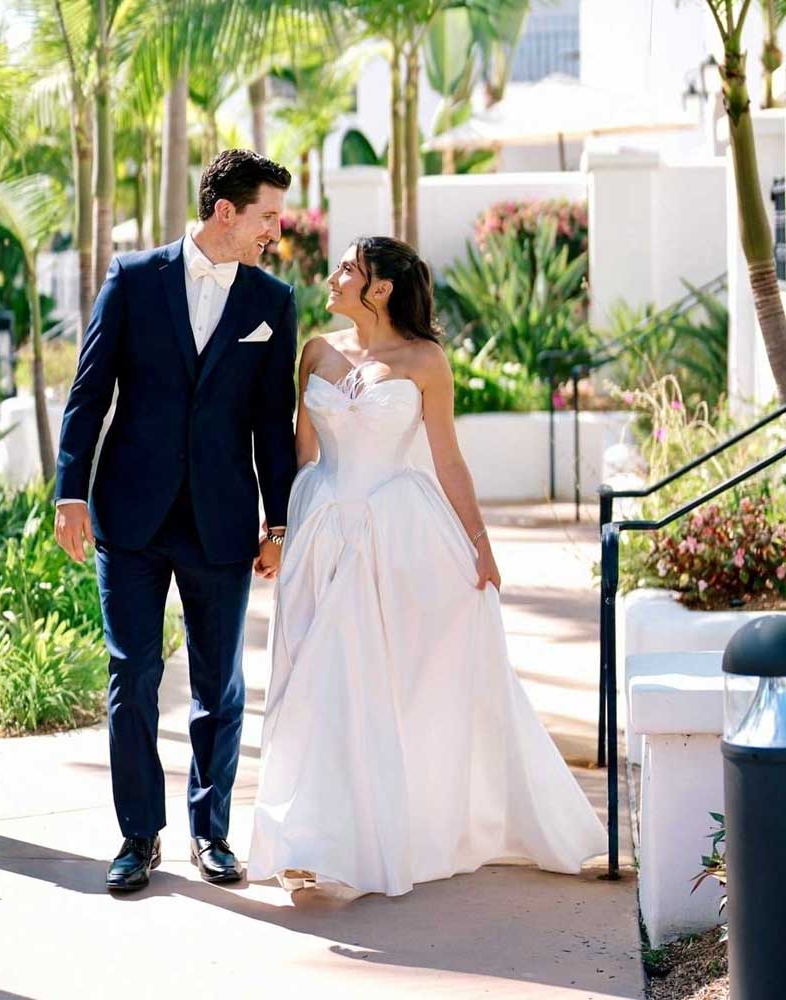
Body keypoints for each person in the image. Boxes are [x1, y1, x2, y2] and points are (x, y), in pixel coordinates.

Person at [247, 236, 607, 897]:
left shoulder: (425, 361)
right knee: (311, 680)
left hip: (397, 533)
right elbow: (299, 452)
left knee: (372, 681)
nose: (334, 276)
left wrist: (482, 546)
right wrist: (283, 534)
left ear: (379, 288)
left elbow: (448, 461)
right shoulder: (316, 353)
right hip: (323, 527)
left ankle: (363, 835)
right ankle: (311, 834)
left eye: (348, 269)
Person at [54, 149, 297, 892]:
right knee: (133, 672)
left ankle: (211, 831)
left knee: (218, 682)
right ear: (226, 211)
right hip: (130, 514)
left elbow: (271, 424)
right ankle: (137, 836)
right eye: (268, 216)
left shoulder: (272, 301)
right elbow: (89, 390)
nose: (275, 232)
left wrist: (279, 522)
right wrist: (71, 492)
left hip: (222, 522)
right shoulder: (133, 280)